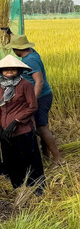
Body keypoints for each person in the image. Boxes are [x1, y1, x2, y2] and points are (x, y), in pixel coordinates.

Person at [5, 34, 63, 165]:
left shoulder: (30, 60)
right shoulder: (32, 53)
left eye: (14, 48)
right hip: (44, 96)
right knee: (41, 126)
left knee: (41, 128)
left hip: (40, 97)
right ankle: (46, 155)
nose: (13, 51)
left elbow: (39, 81)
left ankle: (58, 158)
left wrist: (33, 101)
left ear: (18, 48)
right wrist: (10, 34)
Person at [0, 55, 44, 193]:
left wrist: (16, 121)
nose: (9, 72)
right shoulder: (0, 86)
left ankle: (37, 188)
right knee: (10, 159)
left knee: (30, 158)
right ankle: (17, 186)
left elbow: (32, 107)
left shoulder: (25, 85)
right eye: (5, 70)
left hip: (23, 129)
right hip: (5, 129)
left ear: (19, 70)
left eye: (12, 70)